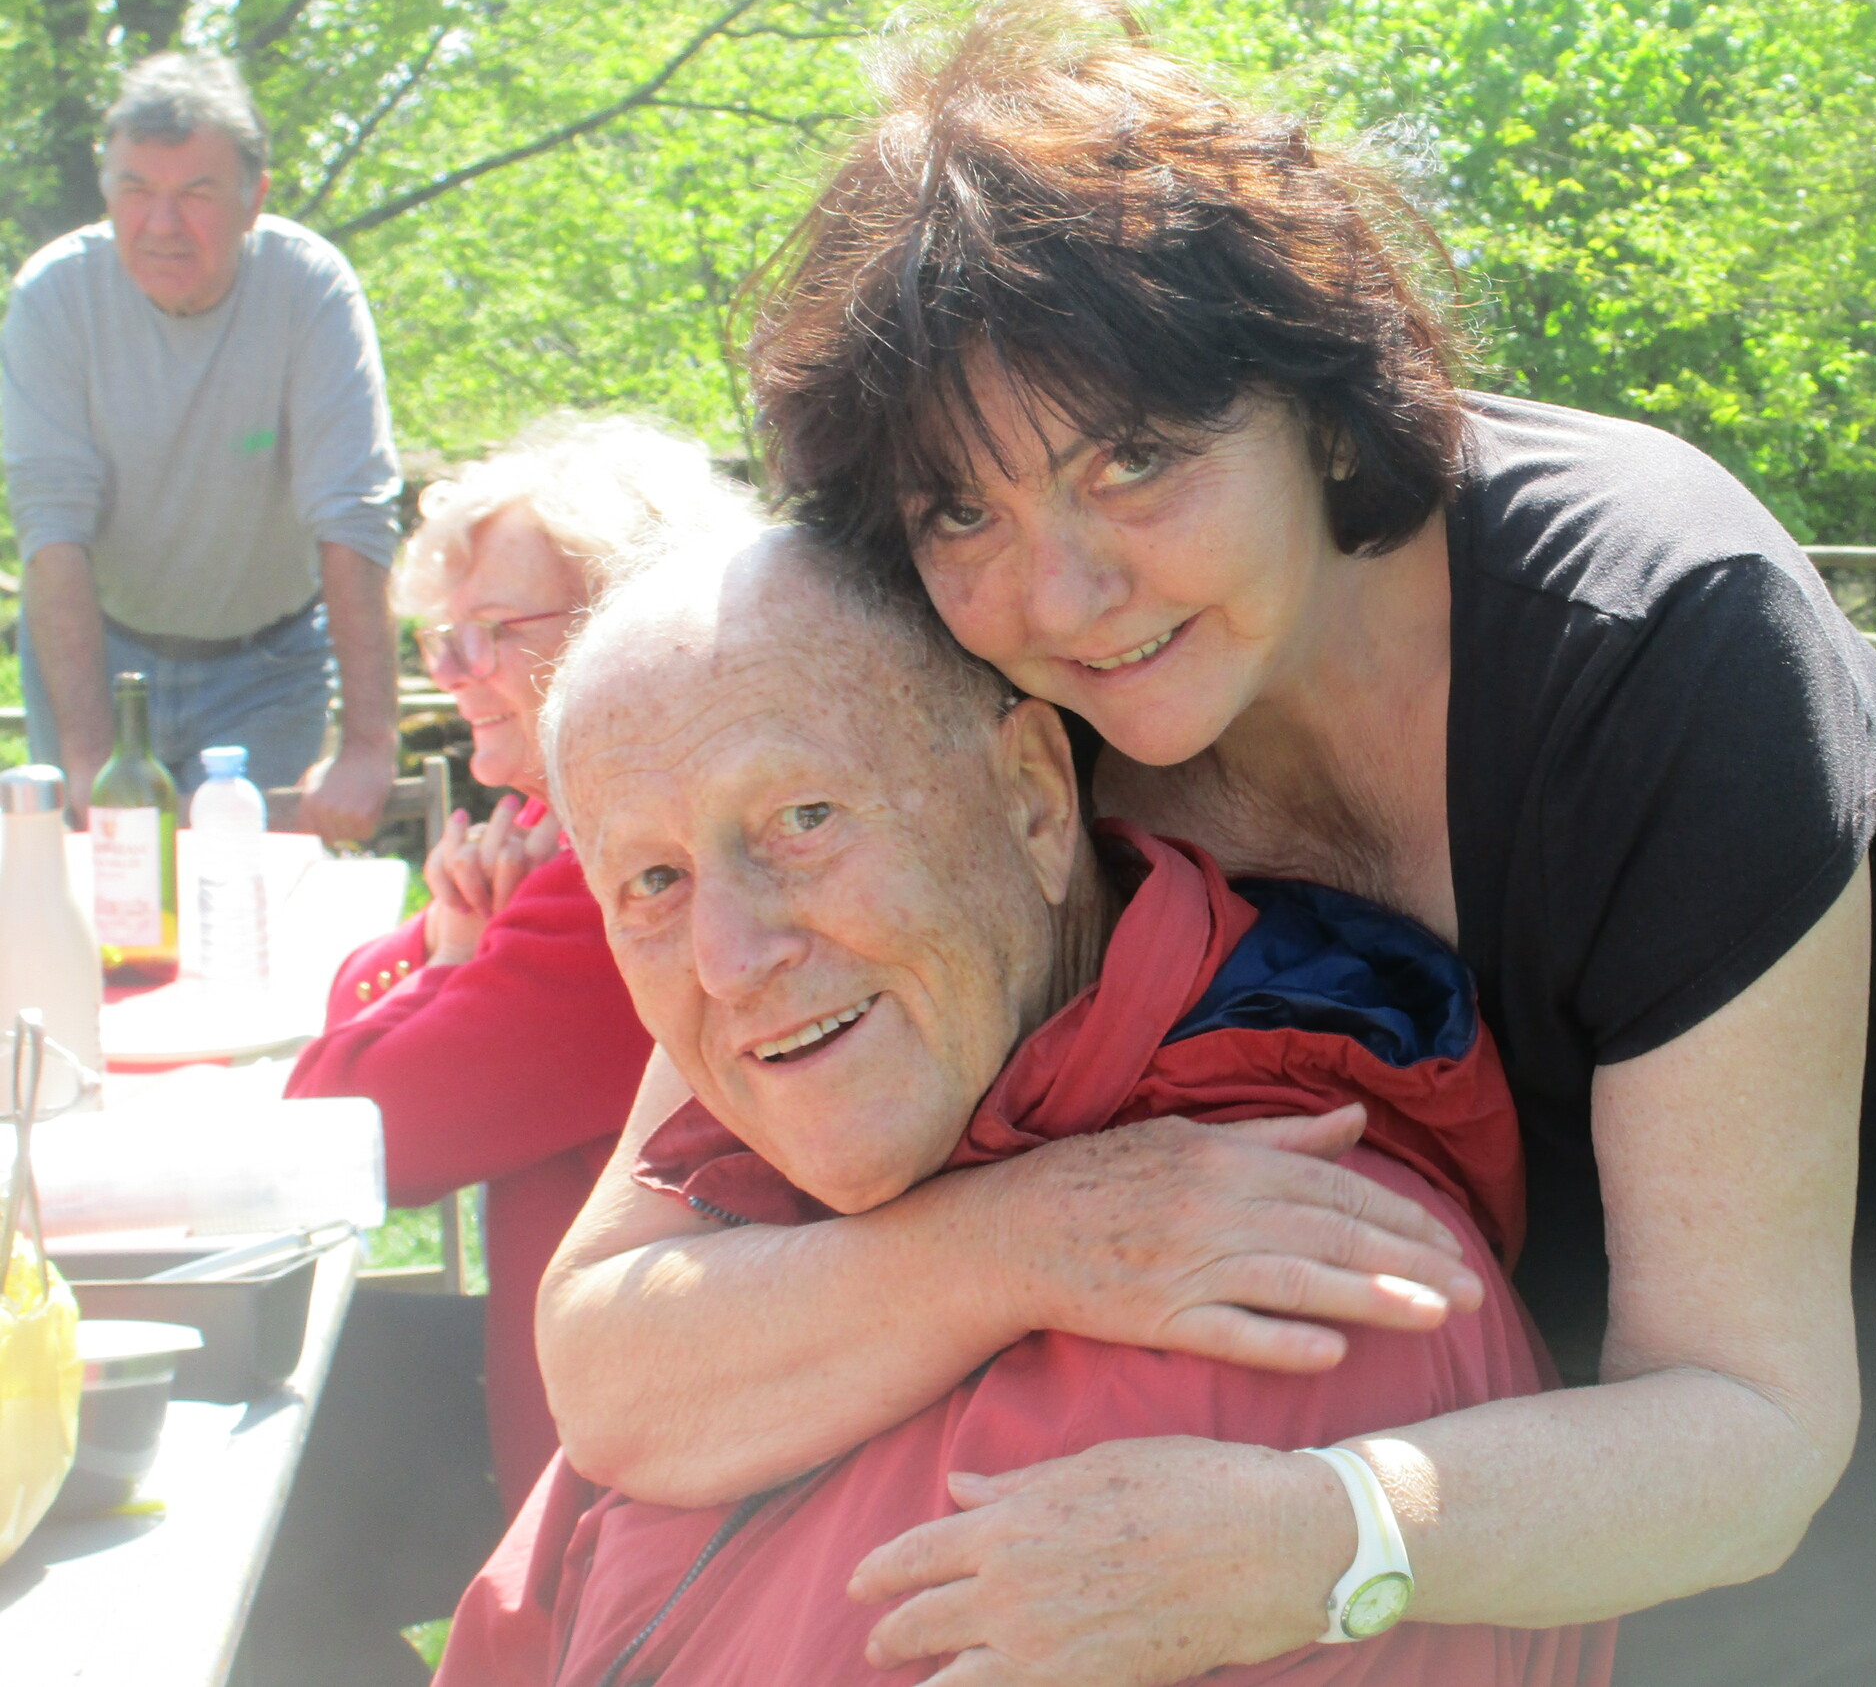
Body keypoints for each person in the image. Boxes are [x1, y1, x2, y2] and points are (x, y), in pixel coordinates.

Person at [541, 0, 1876, 1685]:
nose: (1062, 594)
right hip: (1477, 1420)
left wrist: (1314, 1540)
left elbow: (1749, 1427)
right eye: (962, 506)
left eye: (1135, 460)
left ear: (1316, 400)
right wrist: (1021, 1243)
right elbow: (610, 1345)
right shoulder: (982, 687)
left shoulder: (1663, 644)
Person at [438, 524, 1615, 1687]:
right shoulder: (774, 1181)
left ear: (1035, 802)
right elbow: (588, 1433)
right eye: (652, 880)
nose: (729, 961)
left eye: (804, 820)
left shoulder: (1274, 1293)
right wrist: (1007, 1244)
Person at [244, 416, 759, 1687]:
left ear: (621, 626)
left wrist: (454, 964)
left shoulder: (623, 873)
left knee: (244, 1475)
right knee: (263, 1430)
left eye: (497, 634)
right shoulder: (563, 822)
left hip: (617, 1469)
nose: (459, 672)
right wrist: (453, 954)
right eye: (445, 639)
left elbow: (344, 1128)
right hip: (588, 1377)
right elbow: (371, 976)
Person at [0, 52, 401, 841]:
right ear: (106, 190)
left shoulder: (310, 289)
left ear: (255, 199)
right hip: (99, 655)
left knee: (254, 896)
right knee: (107, 891)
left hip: (269, 667)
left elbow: (352, 515)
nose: (161, 224)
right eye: (136, 189)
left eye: (196, 193)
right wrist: (88, 759)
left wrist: (367, 746)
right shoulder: (52, 298)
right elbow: (52, 529)